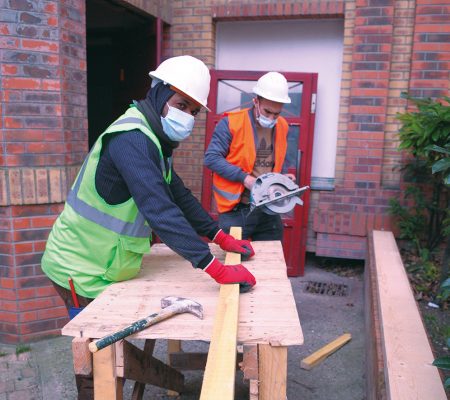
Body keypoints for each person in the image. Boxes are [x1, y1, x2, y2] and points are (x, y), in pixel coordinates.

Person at [41, 55, 256, 399]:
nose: (187, 115)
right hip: (77, 267)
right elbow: (160, 210)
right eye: (181, 104)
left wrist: (217, 235)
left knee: (114, 354)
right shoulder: (133, 139)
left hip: (104, 264)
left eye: (194, 110)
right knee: (99, 362)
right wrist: (212, 266)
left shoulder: (154, 140)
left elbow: (177, 195)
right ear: (158, 94)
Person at [204, 71, 293, 241]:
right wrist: (246, 179)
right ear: (256, 101)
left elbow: (281, 157)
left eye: (277, 113)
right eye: (267, 111)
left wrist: (283, 177)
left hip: (268, 208)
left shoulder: (282, 126)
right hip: (235, 210)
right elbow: (212, 158)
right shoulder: (231, 123)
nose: (272, 117)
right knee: (234, 264)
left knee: (270, 262)